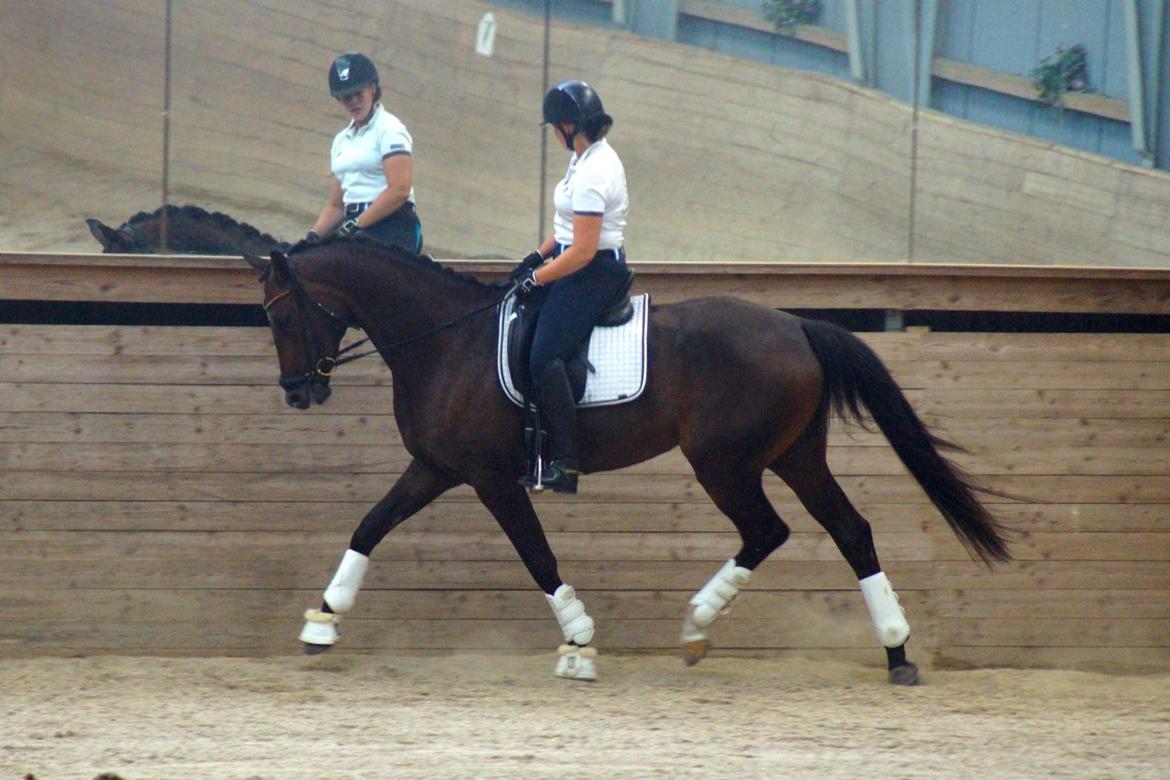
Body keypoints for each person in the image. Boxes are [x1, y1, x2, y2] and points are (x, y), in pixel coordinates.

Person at [514, 80, 631, 495]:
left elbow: (582, 250)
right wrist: (535, 256)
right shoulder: (582, 159)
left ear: (567, 125)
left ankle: (566, 461)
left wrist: (538, 277)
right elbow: (565, 230)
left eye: (554, 127)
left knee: (545, 354)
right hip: (571, 262)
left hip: (594, 272)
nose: (554, 134)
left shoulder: (597, 169)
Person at [306, 52, 423, 254]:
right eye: (345, 97)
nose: (353, 101)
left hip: (393, 224)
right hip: (354, 227)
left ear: (372, 88)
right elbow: (336, 206)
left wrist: (356, 225)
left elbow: (399, 191)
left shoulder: (390, 129)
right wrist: (311, 237)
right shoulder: (340, 141)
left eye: (357, 93)